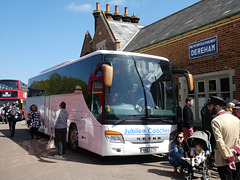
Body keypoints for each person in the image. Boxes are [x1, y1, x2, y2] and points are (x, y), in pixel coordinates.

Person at [208, 96, 240, 180]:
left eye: (210, 106)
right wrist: (235, 150)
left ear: (217, 106)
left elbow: (219, 141)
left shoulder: (216, 121)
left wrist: (229, 158)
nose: (209, 108)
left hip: (224, 160)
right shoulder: (236, 119)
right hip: (237, 157)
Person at [201, 101, 216, 167]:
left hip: (207, 131)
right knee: (213, 146)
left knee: (209, 146)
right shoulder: (211, 114)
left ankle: (209, 159)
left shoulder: (205, 111)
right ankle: (212, 160)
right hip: (211, 132)